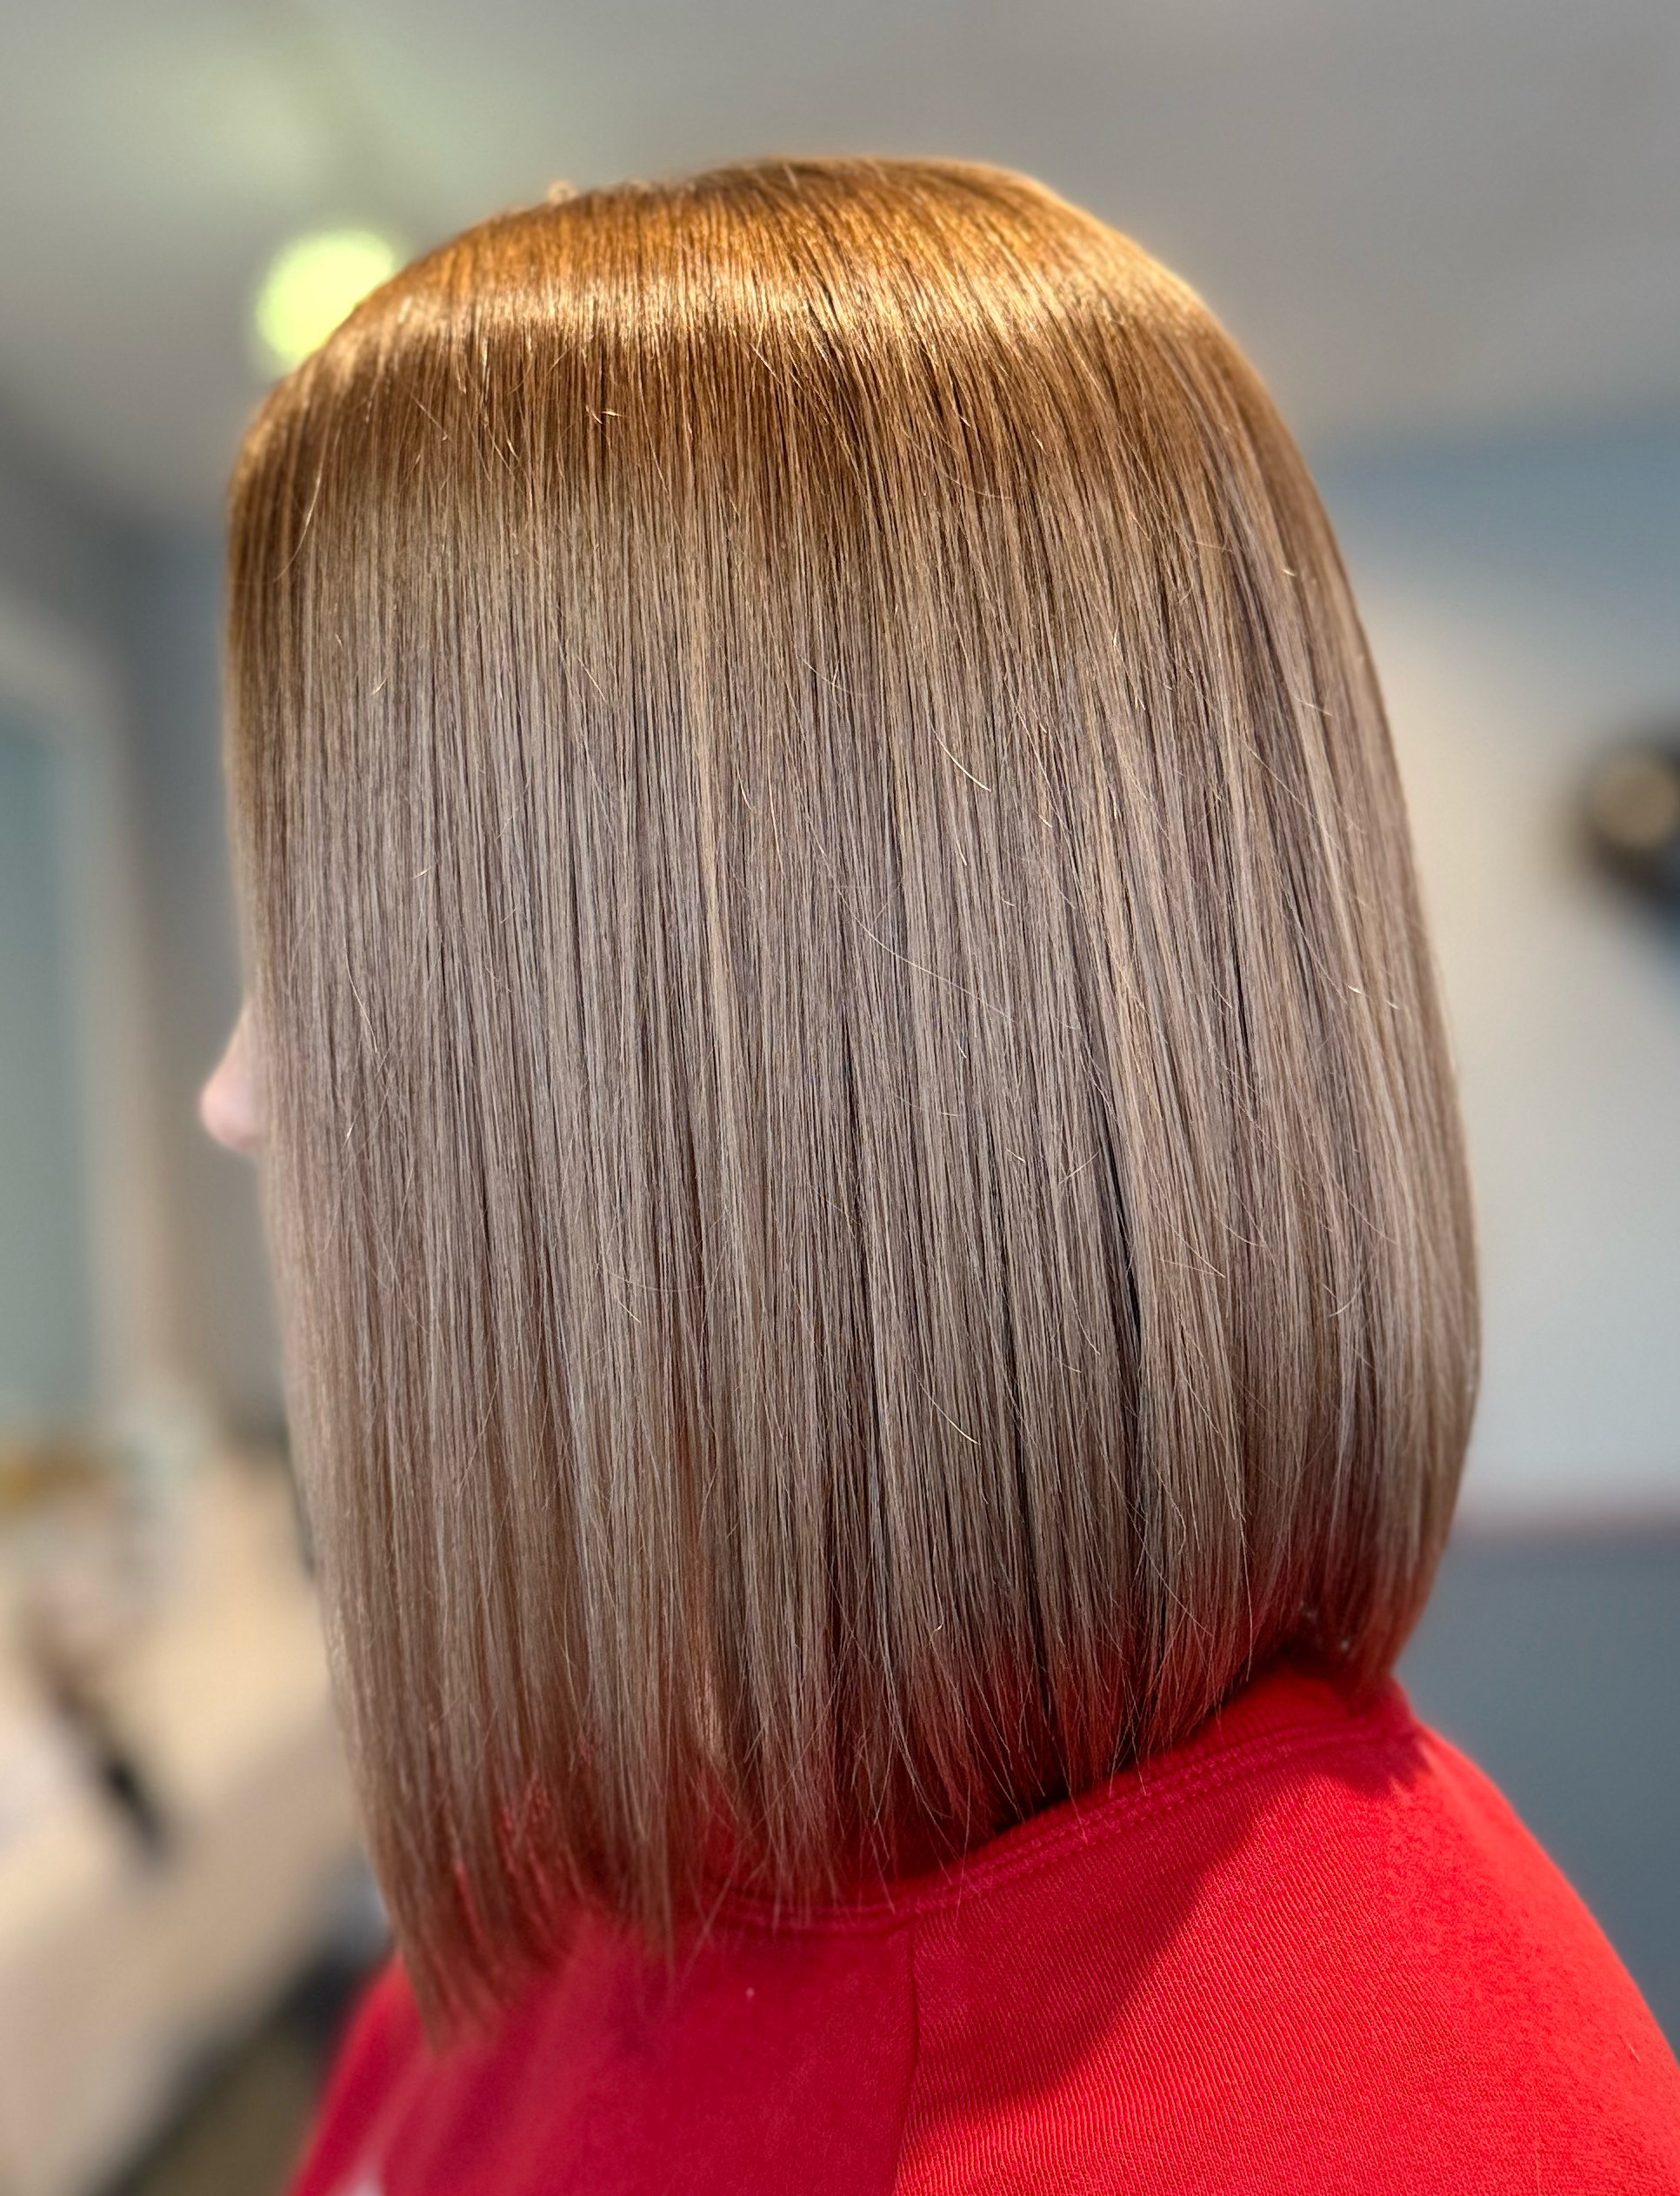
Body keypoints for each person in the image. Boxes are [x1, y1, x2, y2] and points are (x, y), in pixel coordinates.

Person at [201, 157, 1680, 2193]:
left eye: (322, 942)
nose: (239, 1092)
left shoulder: (1388, 2135)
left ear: (760, 1033)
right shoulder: (613, 1862)